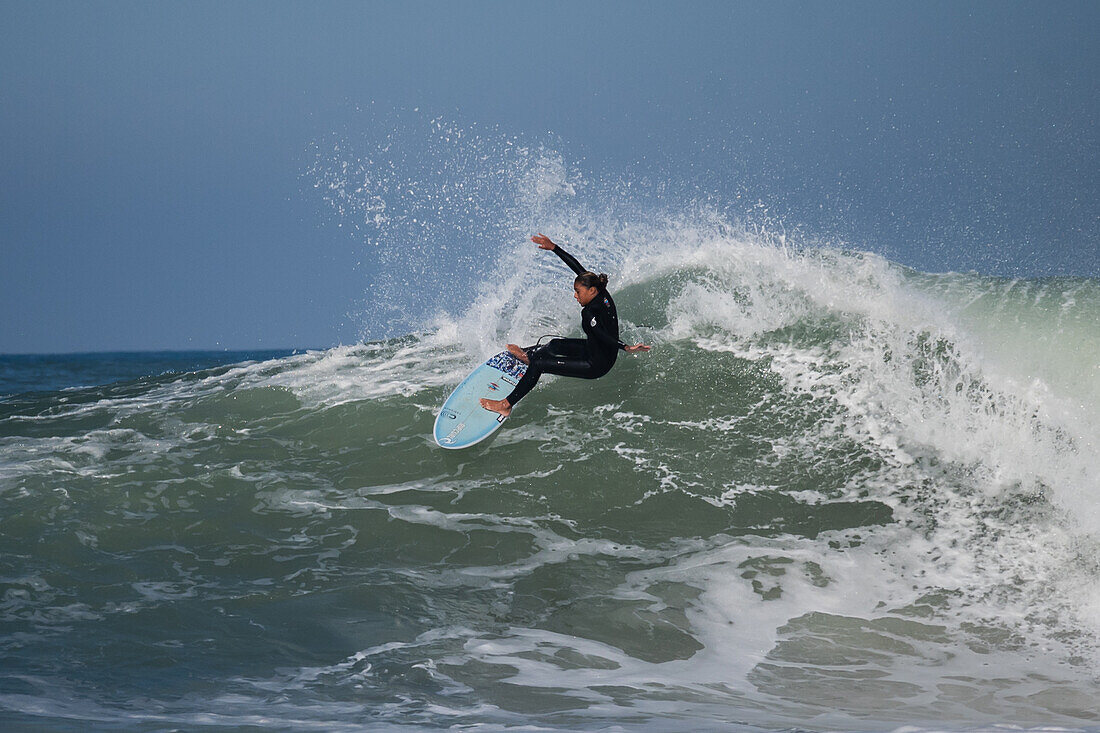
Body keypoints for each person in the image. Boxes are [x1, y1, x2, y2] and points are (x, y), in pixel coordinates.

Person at [479, 234, 650, 417]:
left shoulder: (589, 312)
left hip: (596, 364)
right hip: (595, 349)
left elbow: (601, 335)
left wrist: (625, 347)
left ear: (591, 291)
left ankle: (505, 404)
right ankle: (527, 356)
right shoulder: (600, 291)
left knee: (539, 365)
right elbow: (577, 268)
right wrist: (554, 248)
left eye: (578, 292)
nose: (575, 296)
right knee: (554, 344)